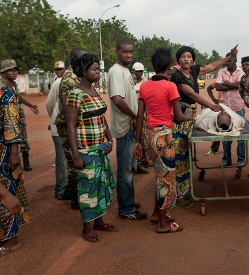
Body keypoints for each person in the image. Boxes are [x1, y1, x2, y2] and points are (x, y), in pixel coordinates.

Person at [171, 45, 236, 208]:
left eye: (189, 56)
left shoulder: (193, 71)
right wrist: (211, 105)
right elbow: (191, 94)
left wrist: (229, 57)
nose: (186, 59)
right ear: (178, 60)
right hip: (179, 120)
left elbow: (211, 66)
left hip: (190, 118)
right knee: (179, 157)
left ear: (193, 59)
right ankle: (178, 196)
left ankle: (184, 191)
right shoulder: (177, 76)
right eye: (183, 57)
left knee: (185, 155)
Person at [134, 48, 188, 233]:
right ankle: (163, 225)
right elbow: (179, 117)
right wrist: (190, 116)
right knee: (166, 180)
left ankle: (157, 214)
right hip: (164, 137)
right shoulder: (170, 86)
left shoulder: (145, 86)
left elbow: (140, 114)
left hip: (149, 134)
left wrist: (138, 140)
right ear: (168, 66)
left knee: (160, 175)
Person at [66, 53, 117, 242]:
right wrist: (76, 155)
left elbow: (101, 118)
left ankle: (99, 222)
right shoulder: (75, 94)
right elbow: (70, 126)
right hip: (86, 151)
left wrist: (109, 138)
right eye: (95, 69)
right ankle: (86, 227)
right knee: (88, 189)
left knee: (101, 186)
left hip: (100, 148)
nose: (98, 72)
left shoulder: (94, 92)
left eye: (99, 69)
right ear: (84, 71)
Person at [107, 39, 147, 220]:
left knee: (129, 168)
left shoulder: (125, 71)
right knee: (125, 170)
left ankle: (128, 201)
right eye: (125, 52)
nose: (129, 55)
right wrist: (134, 116)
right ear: (116, 52)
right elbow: (117, 98)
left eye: (131, 52)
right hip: (124, 127)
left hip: (130, 125)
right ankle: (126, 209)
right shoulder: (116, 72)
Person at [0, 59, 30, 256]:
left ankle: (11, 237)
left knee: (6, 193)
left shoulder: (3, 93)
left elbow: (11, 124)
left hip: (3, 152)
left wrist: (14, 152)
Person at [55, 47, 88, 209]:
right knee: (73, 159)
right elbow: (69, 108)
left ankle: (75, 192)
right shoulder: (70, 78)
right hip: (69, 125)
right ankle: (76, 197)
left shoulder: (77, 75)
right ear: (75, 58)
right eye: (83, 58)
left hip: (75, 124)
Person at [215, 53, 246, 167]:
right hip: (225, 109)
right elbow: (218, 86)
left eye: (230, 61)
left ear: (235, 60)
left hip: (238, 107)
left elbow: (239, 85)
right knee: (225, 134)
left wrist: (226, 83)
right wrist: (233, 85)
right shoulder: (221, 72)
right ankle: (226, 159)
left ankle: (241, 159)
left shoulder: (241, 72)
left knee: (240, 135)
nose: (228, 63)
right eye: (226, 61)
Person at [45, 61, 68, 199]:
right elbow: (49, 104)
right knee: (62, 160)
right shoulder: (57, 83)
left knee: (67, 159)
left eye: (62, 69)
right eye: (58, 69)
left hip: (68, 128)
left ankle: (67, 187)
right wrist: (53, 118)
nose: (60, 71)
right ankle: (60, 189)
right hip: (58, 127)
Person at [206, 81, 222, 156]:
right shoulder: (218, 81)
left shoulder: (235, 79)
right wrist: (214, 100)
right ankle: (214, 148)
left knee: (230, 128)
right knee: (217, 127)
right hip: (220, 107)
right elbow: (209, 88)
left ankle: (228, 150)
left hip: (233, 107)